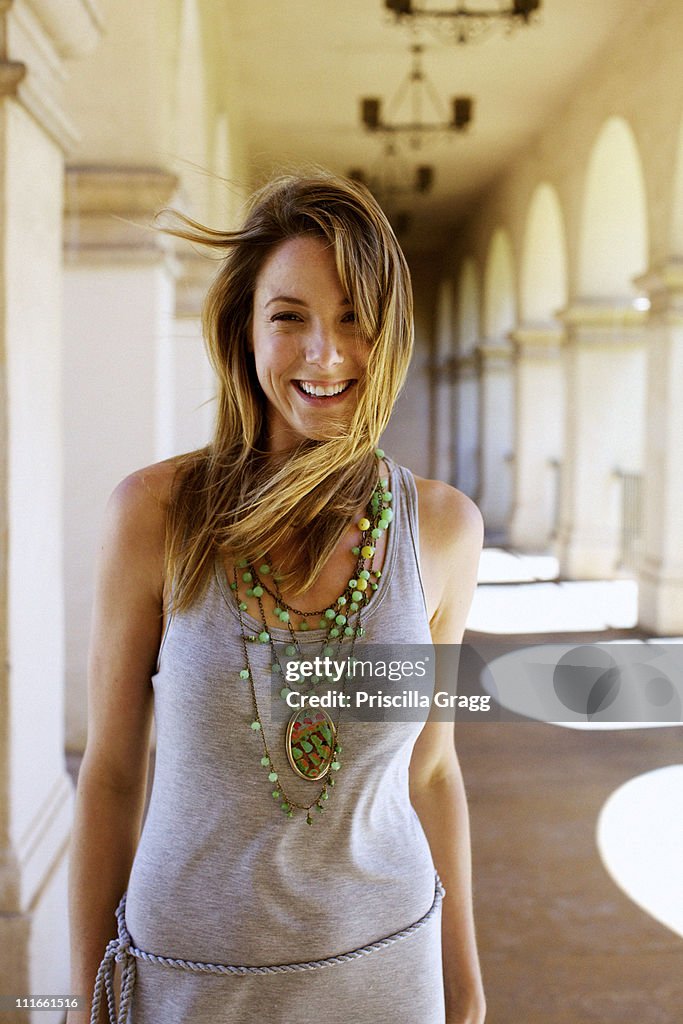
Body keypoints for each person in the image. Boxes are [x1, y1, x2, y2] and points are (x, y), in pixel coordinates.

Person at [68, 171, 486, 1024]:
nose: (323, 355)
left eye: (352, 321)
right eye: (288, 317)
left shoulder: (442, 529)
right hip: (185, 977)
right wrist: (87, 998)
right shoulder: (155, 515)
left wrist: (464, 986)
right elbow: (110, 774)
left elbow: (432, 772)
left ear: (389, 336)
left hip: (386, 972)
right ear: (243, 329)